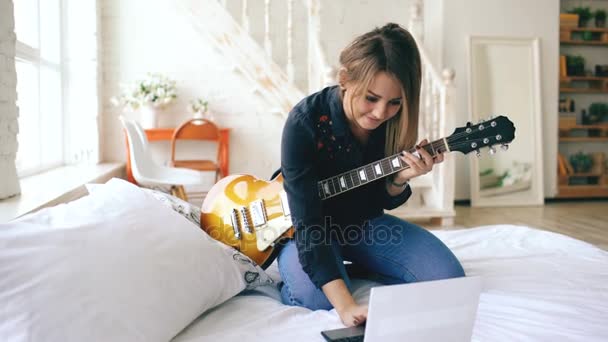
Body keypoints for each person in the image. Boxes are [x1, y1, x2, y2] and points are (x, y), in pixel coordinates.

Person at [278, 23, 465, 327]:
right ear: (344, 80)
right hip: (305, 229)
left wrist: (400, 179)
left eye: (394, 102)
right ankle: (310, 273)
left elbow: (382, 201)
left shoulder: (393, 124)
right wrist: (346, 304)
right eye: (371, 98)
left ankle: (354, 266)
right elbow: (308, 222)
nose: (380, 113)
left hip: (361, 225)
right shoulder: (304, 122)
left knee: (447, 278)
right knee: (319, 299)